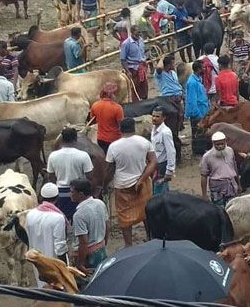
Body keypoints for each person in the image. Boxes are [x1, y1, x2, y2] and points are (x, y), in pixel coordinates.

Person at [104, 118, 156, 247]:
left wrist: (105, 184)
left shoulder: (113, 146)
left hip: (122, 185)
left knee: (124, 217)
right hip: (143, 185)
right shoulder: (144, 142)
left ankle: (128, 244)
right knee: (147, 212)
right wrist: (142, 179)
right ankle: (150, 238)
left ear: (120, 129)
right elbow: (153, 161)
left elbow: (109, 169)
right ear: (134, 128)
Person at [24, 183, 68, 285]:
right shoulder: (58, 218)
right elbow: (60, 247)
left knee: (42, 287)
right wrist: (65, 268)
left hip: (37, 261)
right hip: (54, 262)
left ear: (42, 197)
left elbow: (28, 235)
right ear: (57, 197)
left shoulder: (30, 214)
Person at [46, 127, 94, 220]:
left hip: (61, 193)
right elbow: (90, 177)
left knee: (62, 220)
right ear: (75, 139)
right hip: (79, 192)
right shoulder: (83, 155)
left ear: (62, 140)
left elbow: (51, 177)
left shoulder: (53, 156)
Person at [70, 178, 109, 274]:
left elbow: (83, 241)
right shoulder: (100, 203)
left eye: (72, 192)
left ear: (81, 194)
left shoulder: (79, 215)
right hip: (101, 250)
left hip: (88, 257)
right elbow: (107, 225)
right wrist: (103, 244)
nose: (70, 194)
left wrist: (80, 264)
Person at [89, 84, 124, 152]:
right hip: (115, 139)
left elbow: (92, 121)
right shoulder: (117, 108)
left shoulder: (95, 105)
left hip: (100, 139)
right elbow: (121, 125)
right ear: (112, 95)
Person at [150, 109, 177, 196]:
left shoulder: (165, 132)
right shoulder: (154, 129)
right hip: (155, 166)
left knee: (159, 192)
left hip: (162, 166)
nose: (154, 118)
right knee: (161, 190)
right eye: (153, 116)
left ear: (164, 118)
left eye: (157, 116)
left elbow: (171, 152)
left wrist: (169, 171)